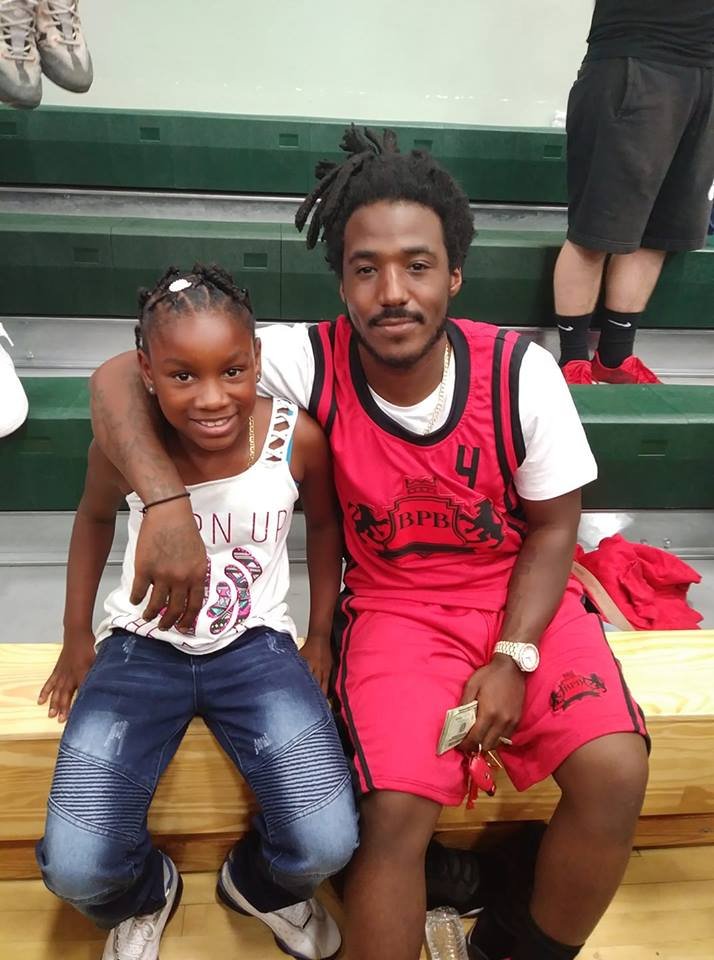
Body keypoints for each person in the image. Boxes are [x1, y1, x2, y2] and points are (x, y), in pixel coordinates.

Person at [89, 129, 650, 960]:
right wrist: (166, 503)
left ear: (454, 273)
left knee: (616, 770)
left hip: (518, 597)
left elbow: (555, 527)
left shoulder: (519, 372)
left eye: (418, 266)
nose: (392, 292)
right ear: (341, 280)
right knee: (394, 811)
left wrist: (515, 654)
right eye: (366, 269)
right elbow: (114, 377)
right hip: (395, 608)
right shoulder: (307, 358)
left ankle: (508, 946)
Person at [35, 264, 358, 960]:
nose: (212, 397)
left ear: (257, 361)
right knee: (75, 868)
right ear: (147, 372)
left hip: (256, 644)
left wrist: (320, 631)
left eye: (232, 371)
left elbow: (327, 526)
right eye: (183, 375)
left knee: (327, 840)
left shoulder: (293, 439)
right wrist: (74, 634)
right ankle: (146, 893)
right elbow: (93, 519)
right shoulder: (130, 445)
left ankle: (257, 885)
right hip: (140, 645)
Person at [555, 0, 714, 384]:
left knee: (658, 234)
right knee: (595, 233)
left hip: (706, 71)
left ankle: (615, 357)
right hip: (637, 57)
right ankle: (573, 362)